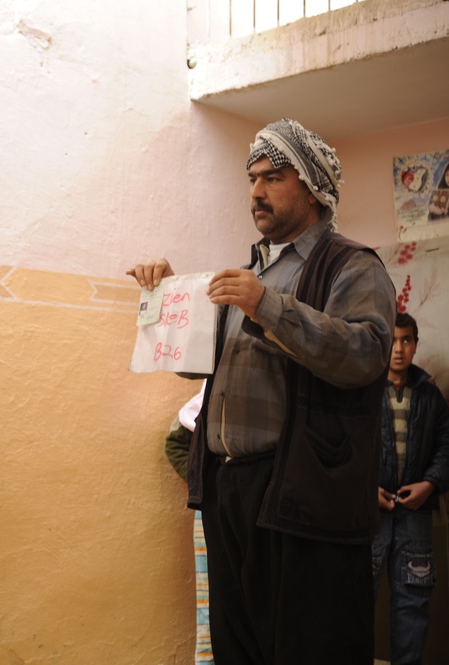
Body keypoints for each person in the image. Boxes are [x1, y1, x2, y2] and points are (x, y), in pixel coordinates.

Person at [127, 118, 396, 664]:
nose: (255, 192)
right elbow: (206, 363)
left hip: (302, 493)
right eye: (252, 179)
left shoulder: (352, 266)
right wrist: (170, 296)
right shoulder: (252, 272)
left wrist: (265, 305)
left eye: (272, 177)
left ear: (313, 187)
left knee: (308, 646)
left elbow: (365, 355)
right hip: (231, 492)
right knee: (241, 648)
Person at [372, 311, 449, 665]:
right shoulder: (362, 390)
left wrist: (430, 484)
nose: (398, 348)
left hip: (415, 514)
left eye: (406, 340)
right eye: (392, 340)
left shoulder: (429, 394)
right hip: (369, 515)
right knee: (354, 599)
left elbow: (448, 448)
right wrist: (366, 490)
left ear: (415, 344)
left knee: (413, 604)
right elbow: (343, 447)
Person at [164, 385, 214, 665]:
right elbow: (174, 442)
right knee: (212, 605)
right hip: (212, 512)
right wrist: (204, 486)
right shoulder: (206, 399)